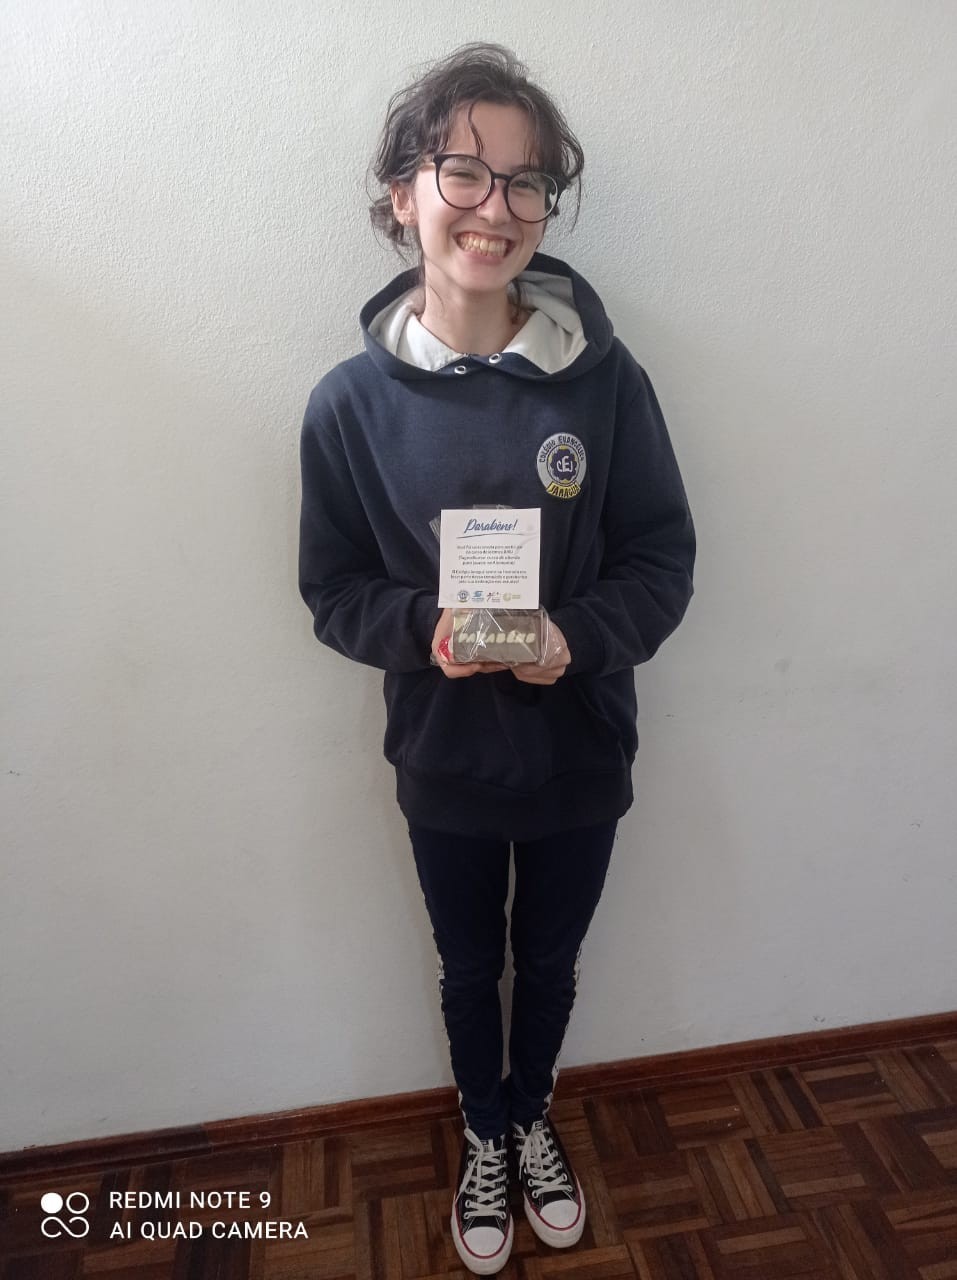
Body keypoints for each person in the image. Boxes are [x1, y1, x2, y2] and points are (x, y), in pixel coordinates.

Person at [298, 43, 695, 1276]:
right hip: (445, 757)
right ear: (401, 194)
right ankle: (485, 1126)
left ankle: (531, 1117)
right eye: (462, 170)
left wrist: (578, 637)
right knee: (470, 964)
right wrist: (424, 629)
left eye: (527, 181)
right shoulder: (348, 405)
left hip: (582, 747)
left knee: (553, 961)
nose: (496, 206)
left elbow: (661, 559)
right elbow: (332, 590)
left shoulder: (606, 384)